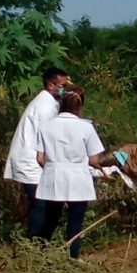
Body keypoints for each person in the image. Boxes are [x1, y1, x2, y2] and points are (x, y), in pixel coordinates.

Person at [34, 89, 105, 259]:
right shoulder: (86, 127)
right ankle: (72, 259)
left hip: (54, 176)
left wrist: (53, 168)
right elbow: (93, 159)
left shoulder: (45, 127)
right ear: (79, 107)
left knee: (50, 221)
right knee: (75, 224)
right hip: (78, 178)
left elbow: (40, 158)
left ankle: (39, 255)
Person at [4, 67, 69, 237]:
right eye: (62, 85)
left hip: (35, 160)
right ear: (50, 85)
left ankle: (41, 243)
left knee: (49, 205)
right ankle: (34, 244)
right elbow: (47, 139)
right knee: (41, 204)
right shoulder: (45, 107)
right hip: (31, 162)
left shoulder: (51, 103)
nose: (65, 88)